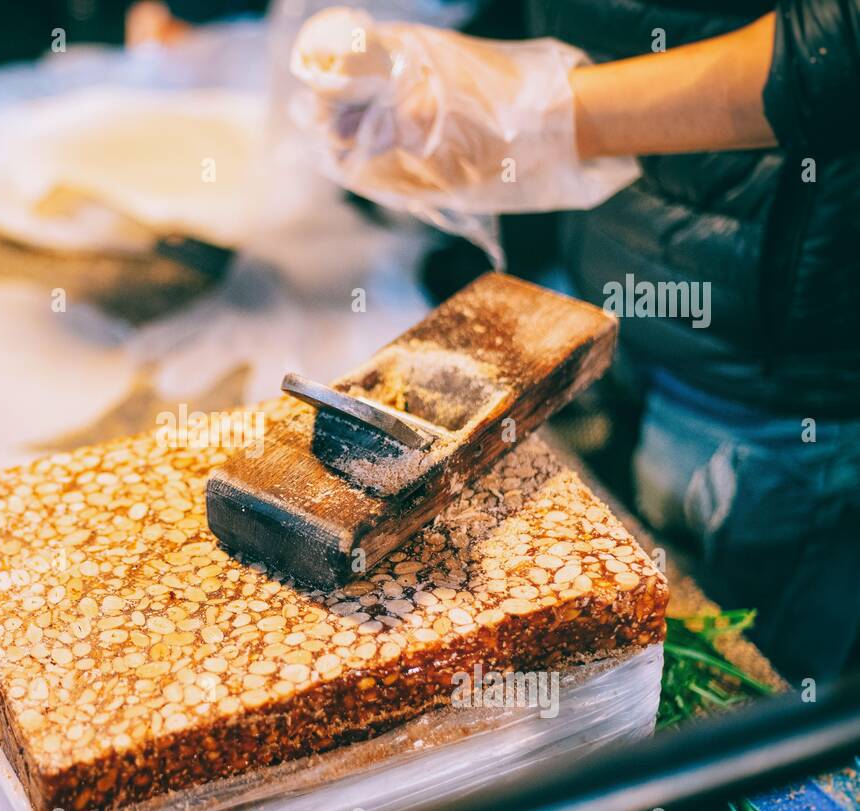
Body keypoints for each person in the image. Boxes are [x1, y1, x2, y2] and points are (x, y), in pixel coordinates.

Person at [290, 2, 860, 684]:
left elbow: (840, 41)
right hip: (603, 295)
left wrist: (541, 112)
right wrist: (429, 82)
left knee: (743, 687)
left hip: (770, 375)